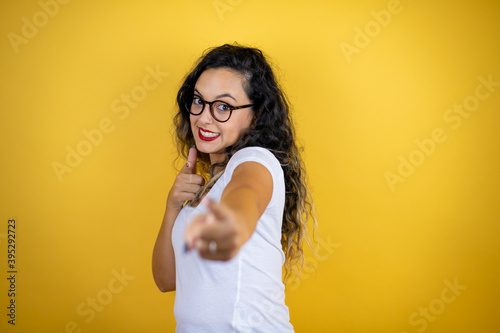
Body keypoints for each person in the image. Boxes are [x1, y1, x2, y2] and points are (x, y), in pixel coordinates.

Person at [152, 44, 317, 332]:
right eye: (198, 101)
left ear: (257, 113)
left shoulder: (254, 161)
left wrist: (232, 223)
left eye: (223, 107)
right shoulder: (209, 186)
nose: (203, 117)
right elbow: (166, 280)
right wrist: (172, 207)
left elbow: (246, 198)